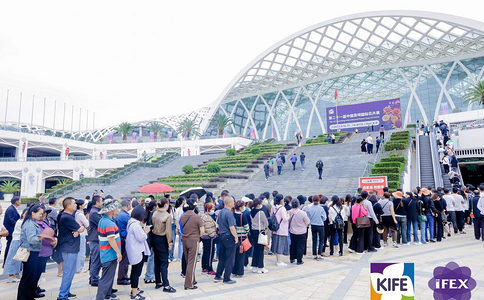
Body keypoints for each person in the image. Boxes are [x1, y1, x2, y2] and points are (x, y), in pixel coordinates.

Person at [58, 197, 85, 300]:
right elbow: (81, 228)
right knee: (68, 272)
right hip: (68, 249)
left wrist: (77, 230)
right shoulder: (67, 217)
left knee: (70, 272)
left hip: (71, 248)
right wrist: (78, 229)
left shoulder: (67, 216)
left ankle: (66, 292)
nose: (76, 205)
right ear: (68, 206)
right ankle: (62, 296)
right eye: (74, 203)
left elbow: (78, 229)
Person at [17, 205, 45, 300]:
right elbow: (32, 239)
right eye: (40, 214)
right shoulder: (29, 224)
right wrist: (43, 236)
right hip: (30, 252)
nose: (41, 216)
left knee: (31, 276)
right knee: (28, 277)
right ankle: (24, 297)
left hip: (33, 252)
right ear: (33, 213)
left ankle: (28, 296)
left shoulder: (32, 222)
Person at [96, 198, 122, 300]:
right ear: (111, 210)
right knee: (106, 279)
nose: (118, 210)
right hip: (109, 254)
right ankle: (101, 297)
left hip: (106, 253)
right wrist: (118, 252)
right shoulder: (109, 223)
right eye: (116, 208)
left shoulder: (103, 220)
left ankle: (107, 296)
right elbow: (111, 240)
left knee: (108, 277)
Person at [151, 198, 176, 292]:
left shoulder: (155, 213)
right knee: (164, 261)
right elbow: (169, 231)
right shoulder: (167, 215)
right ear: (166, 204)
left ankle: (158, 282)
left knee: (157, 260)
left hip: (154, 237)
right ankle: (166, 285)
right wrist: (170, 242)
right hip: (162, 239)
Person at [126, 205, 151, 300]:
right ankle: (134, 295)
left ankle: (134, 290)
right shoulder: (135, 225)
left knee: (134, 272)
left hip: (134, 250)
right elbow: (141, 238)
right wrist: (146, 231)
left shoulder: (131, 222)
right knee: (136, 273)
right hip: (136, 251)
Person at [180, 198, 204, 290]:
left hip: (185, 240)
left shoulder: (183, 216)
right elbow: (202, 231)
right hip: (193, 240)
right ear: (194, 206)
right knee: (192, 262)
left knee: (188, 261)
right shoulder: (197, 217)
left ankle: (192, 280)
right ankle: (189, 283)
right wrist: (197, 235)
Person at [214, 196, 238, 284]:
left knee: (222, 257)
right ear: (229, 203)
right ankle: (227, 278)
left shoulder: (221, 212)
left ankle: (218, 275)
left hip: (222, 236)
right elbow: (232, 227)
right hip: (229, 236)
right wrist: (236, 237)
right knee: (230, 258)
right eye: (233, 202)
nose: (234, 203)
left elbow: (219, 225)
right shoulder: (229, 213)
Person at [35, 206, 57, 298]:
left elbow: (51, 233)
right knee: (36, 272)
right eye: (42, 213)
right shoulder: (35, 223)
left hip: (46, 251)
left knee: (40, 271)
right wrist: (52, 241)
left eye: (45, 213)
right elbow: (41, 237)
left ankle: (36, 286)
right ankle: (33, 289)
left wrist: (55, 239)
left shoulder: (44, 222)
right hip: (40, 251)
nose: (44, 214)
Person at [3, 209, 27, 283]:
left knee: (19, 260)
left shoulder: (25, 222)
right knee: (13, 258)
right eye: (25, 213)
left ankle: (17, 274)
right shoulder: (20, 222)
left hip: (20, 241)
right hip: (16, 241)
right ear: (22, 214)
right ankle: (11, 276)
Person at [249, 198, 269, 273]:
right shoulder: (261, 212)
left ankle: (254, 266)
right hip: (260, 231)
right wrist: (266, 228)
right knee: (260, 250)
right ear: (258, 204)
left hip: (253, 231)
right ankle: (260, 267)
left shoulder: (252, 211)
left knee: (256, 249)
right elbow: (266, 222)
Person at [289, 199, 310, 265]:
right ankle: (299, 260)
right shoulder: (302, 213)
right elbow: (307, 222)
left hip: (292, 231)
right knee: (300, 246)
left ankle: (292, 258)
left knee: (293, 245)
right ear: (298, 204)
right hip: (301, 232)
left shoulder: (289, 212)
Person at [271, 194, 290, 266]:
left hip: (275, 228)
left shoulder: (273, 207)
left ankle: (278, 260)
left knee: (276, 244)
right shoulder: (282, 208)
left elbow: (271, 215)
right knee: (280, 245)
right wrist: (288, 215)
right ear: (281, 200)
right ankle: (279, 261)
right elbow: (285, 219)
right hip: (281, 229)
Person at [232, 200, 250, 277]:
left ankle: (234, 271)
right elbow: (247, 228)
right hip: (242, 237)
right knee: (241, 255)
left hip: (234, 237)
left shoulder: (232, 215)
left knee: (235, 255)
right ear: (240, 207)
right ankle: (240, 272)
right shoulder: (243, 216)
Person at [88, 195, 102, 286]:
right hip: (95, 239)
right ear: (97, 202)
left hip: (96, 239)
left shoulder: (96, 211)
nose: (102, 203)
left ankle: (93, 277)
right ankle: (94, 279)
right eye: (101, 201)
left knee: (96, 260)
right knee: (96, 260)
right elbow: (101, 223)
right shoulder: (94, 213)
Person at [116, 200, 132, 285]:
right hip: (124, 238)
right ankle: (122, 278)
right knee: (124, 260)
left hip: (121, 238)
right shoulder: (125, 216)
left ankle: (124, 276)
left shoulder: (121, 214)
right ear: (128, 205)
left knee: (124, 260)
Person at [306, 195, 326, 260]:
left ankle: (314, 254)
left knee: (314, 239)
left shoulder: (310, 208)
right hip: (320, 224)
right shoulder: (321, 208)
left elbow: (308, 217)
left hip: (313, 225)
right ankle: (319, 254)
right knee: (321, 239)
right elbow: (324, 217)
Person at [3, 196, 21, 268]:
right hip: (11, 231)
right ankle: (6, 262)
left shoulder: (14, 209)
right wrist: (18, 224)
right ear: (16, 201)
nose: (20, 202)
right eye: (19, 200)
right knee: (9, 247)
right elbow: (10, 220)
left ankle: (7, 262)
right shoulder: (10, 209)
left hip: (13, 231)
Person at [201, 203, 217, 275]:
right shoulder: (207, 218)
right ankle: (209, 268)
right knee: (210, 253)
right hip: (209, 237)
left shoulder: (204, 216)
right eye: (212, 209)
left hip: (205, 237)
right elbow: (208, 229)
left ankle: (204, 267)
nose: (213, 211)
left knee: (205, 252)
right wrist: (213, 235)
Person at [75, 199, 89, 273]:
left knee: (79, 252)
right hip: (82, 234)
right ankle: (79, 268)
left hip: (79, 234)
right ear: (80, 206)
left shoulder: (76, 213)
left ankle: (78, 267)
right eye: (83, 204)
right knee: (81, 252)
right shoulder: (80, 214)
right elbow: (87, 224)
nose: (84, 205)